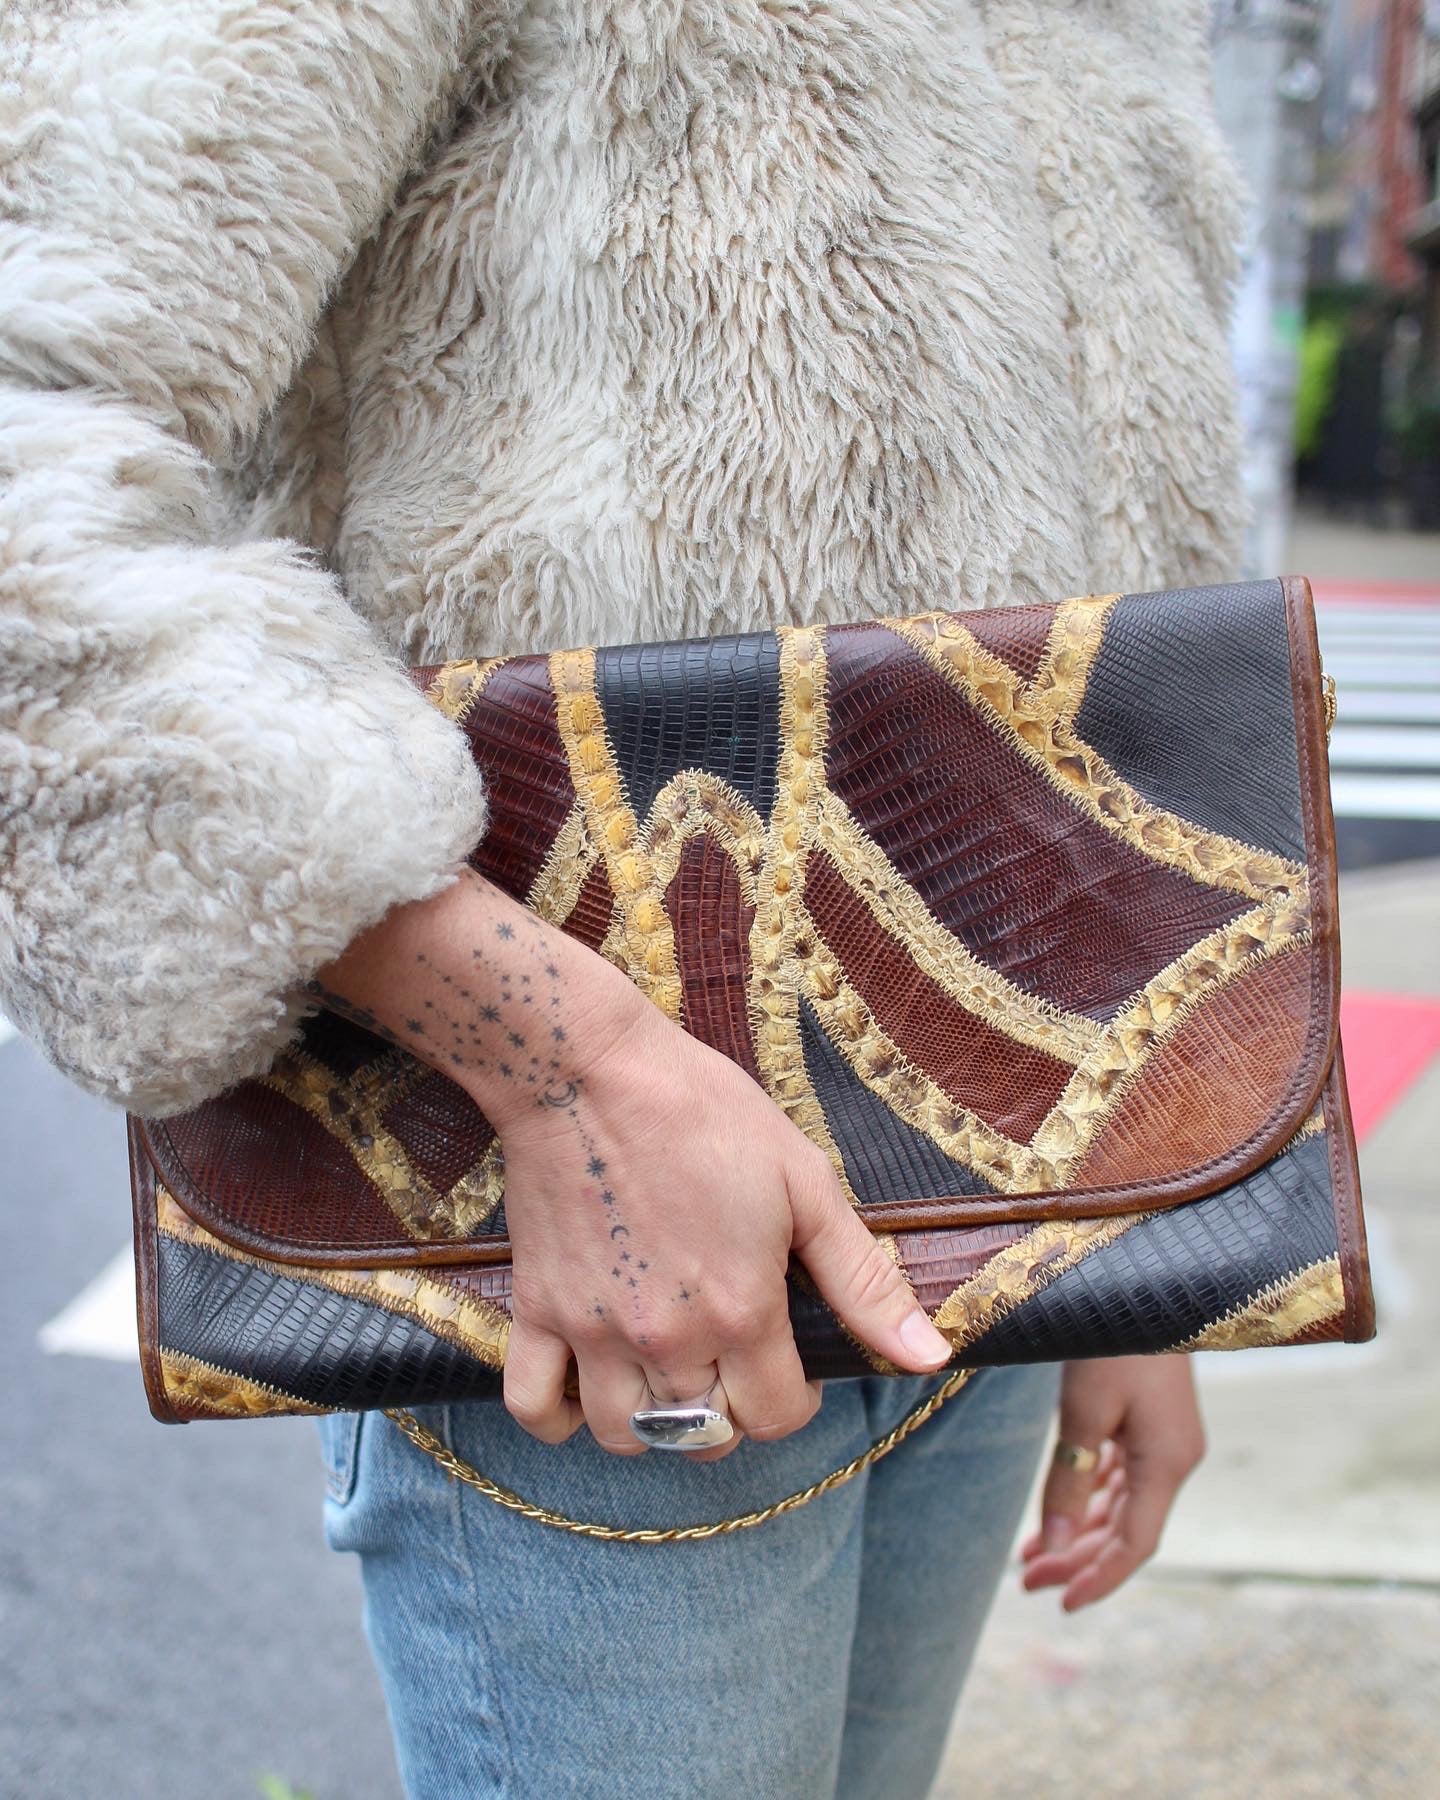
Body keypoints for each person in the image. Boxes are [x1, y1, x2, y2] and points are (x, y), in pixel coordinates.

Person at [1, 3, 1232, 1794]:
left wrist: (1147, 1237)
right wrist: (562, 1069)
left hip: (1005, 1213)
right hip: (580, 1242)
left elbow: (1124, 578)